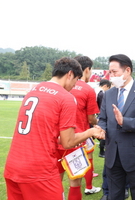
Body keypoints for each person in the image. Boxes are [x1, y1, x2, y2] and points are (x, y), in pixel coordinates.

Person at [4, 57, 104, 200]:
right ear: (70, 74)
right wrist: (91, 131)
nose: (74, 86)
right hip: (39, 169)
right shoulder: (66, 97)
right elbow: (68, 142)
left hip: (13, 164)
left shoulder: (34, 89)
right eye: (76, 80)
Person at [98, 54, 135, 200]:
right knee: (114, 195)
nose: (111, 75)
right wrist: (101, 129)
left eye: (114, 72)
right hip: (113, 155)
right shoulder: (109, 93)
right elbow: (103, 118)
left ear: (127, 71)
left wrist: (125, 122)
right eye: (109, 72)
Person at [56, 56, 101, 200]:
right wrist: (96, 124)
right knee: (75, 181)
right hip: (77, 139)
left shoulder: (54, 89)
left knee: (56, 181)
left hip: (56, 140)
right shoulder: (88, 89)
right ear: (87, 70)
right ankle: (89, 187)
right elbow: (90, 118)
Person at [96, 79, 112, 158]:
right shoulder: (101, 93)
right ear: (105, 86)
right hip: (98, 116)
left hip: (94, 115)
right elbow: (103, 107)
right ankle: (102, 151)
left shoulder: (95, 90)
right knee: (103, 133)